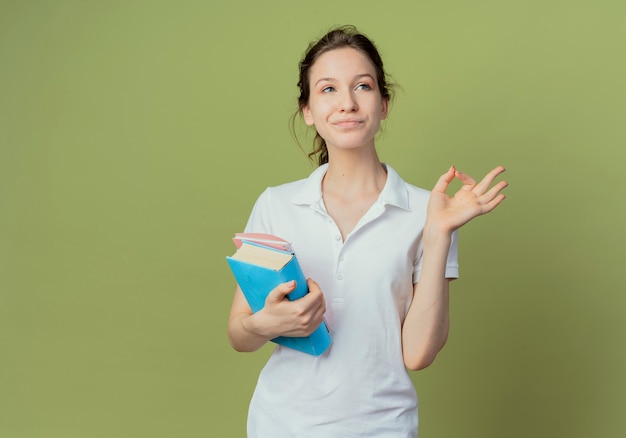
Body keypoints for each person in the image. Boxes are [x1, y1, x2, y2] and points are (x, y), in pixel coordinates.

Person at [227, 25, 507, 437]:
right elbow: (239, 333)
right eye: (328, 89)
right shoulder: (276, 204)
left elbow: (418, 353)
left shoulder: (428, 211)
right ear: (307, 110)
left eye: (362, 86)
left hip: (382, 427)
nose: (347, 103)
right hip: (279, 425)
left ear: (384, 103)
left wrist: (438, 233)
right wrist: (267, 323)